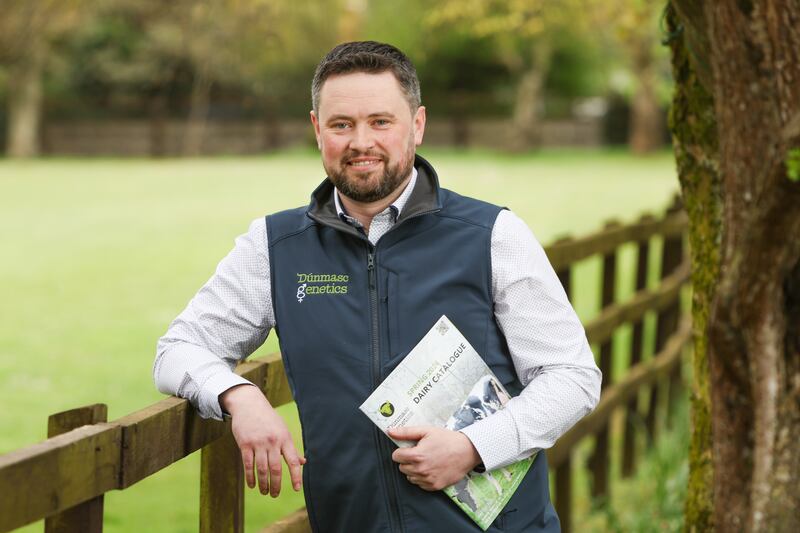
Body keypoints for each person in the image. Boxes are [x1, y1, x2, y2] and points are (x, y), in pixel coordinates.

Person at [153, 41, 601, 532]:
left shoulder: (493, 235)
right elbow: (179, 349)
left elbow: (571, 377)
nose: (360, 141)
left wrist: (476, 447)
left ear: (418, 125)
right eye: (341, 124)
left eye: (380, 122)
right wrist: (238, 396)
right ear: (317, 130)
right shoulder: (275, 246)